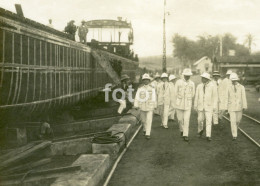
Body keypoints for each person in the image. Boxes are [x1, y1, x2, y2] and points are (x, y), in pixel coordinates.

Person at [194, 72, 218, 141]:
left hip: (209, 106)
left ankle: (208, 135)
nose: (202, 79)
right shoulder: (199, 86)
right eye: (202, 78)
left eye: (204, 78)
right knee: (200, 120)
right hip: (201, 106)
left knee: (208, 121)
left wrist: (214, 106)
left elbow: (215, 97)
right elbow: (196, 96)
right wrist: (195, 105)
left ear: (207, 79)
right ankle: (200, 131)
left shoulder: (212, 86)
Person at [225, 73, 247, 140]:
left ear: (237, 80)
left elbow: (243, 97)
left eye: (235, 80)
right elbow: (226, 97)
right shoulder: (228, 87)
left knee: (238, 121)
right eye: (232, 80)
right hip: (231, 106)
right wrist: (226, 108)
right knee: (233, 121)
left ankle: (235, 130)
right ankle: (234, 135)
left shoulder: (241, 87)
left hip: (239, 106)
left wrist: (244, 106)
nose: (233, 82)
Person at [134, 73, 157, 139]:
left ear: (149, 81)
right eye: (144, 80)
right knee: (143, 121)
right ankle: (144, 129)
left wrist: (155, 105)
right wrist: (136, 105)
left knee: (149, 120)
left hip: (150, 106)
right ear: (143, 81)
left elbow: (154, 97)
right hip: (142, 106)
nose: (146, 81)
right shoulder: (140, 89)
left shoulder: (152, 89)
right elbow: (137, 97)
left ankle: (148, 133)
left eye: (147, 80)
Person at [175, 68, 195, 141]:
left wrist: (188, 97)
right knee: (180, 120)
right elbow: (175, 92)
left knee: (186, 120)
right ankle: (182, 130)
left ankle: (185, 135)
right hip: (179, 104)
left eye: (189, 75)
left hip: (188, 104)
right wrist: (179, 96)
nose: (187, 77)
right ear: (183, 75)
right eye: (186, 75)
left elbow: (193, 94)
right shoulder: (178, 82)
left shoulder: (192, 83)